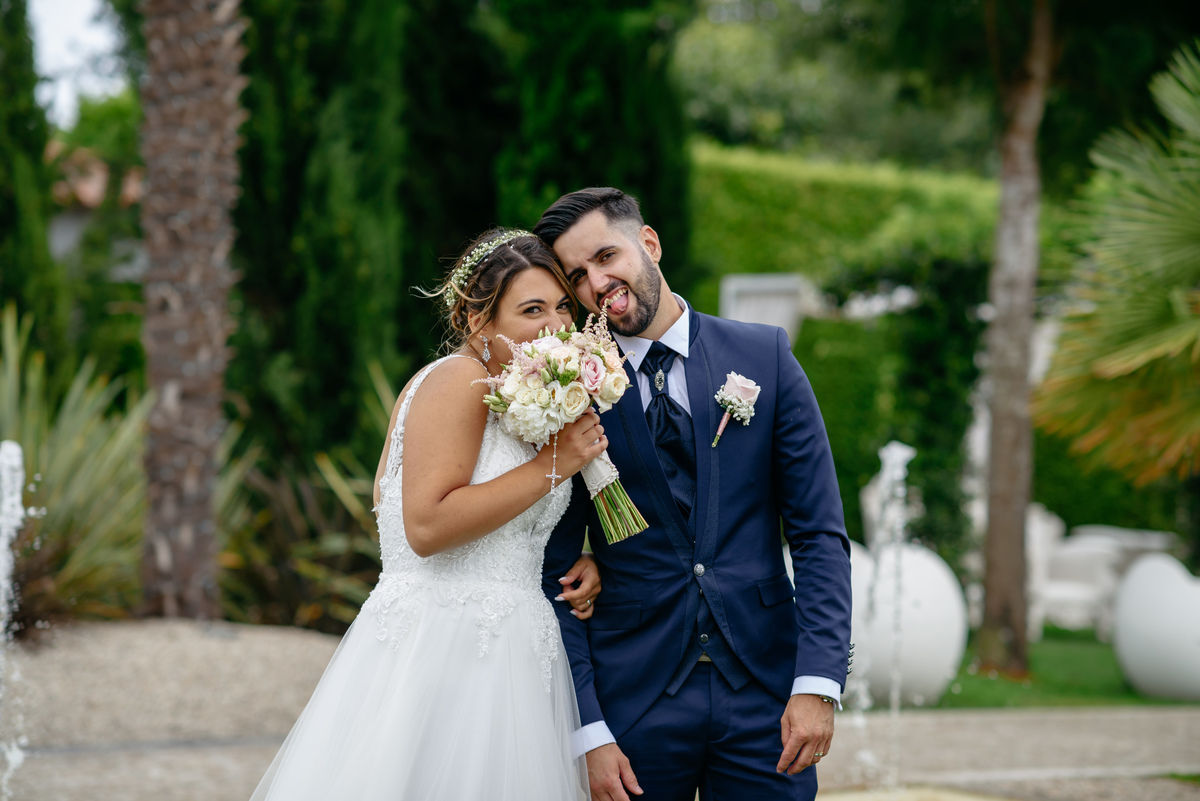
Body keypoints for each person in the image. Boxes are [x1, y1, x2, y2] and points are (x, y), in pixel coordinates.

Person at [250, 229, 607, 801]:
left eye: (563, 306)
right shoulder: (457, 380)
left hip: (515, 650)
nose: (556, 325)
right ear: (475, 318)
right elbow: (425, 527)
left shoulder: (517, 397)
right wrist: (555, 465)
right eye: (532, 309)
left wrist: (582, 557)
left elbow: (509, 524)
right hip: (448, 645)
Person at [536, 189, 853, 801]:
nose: (597, 283)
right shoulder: (568, 388)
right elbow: (554, 570)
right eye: (577, 276)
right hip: (633, 703)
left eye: (606, 256)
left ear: (649, 244)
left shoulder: (765, 355)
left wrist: (817, 682)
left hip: (767, 698)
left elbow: (818, 534)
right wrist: (588, 730)